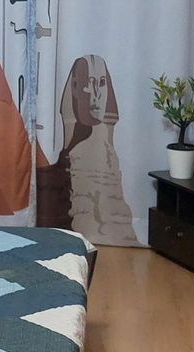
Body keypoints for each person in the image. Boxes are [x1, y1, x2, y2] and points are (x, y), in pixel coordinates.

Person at [54, 55, 138, 246]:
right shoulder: (69, 156)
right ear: (74, 88)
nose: (95, 93)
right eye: (87, 82)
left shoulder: (107, 153)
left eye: (101, 83)